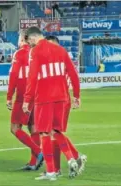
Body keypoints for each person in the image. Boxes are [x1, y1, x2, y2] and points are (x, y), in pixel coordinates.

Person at [23, 27, 83, 181]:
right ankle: (71, 158)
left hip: (44, 98)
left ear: (33, 38)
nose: (29, 43)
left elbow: (32, 77)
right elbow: (73, 74)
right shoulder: (61, 50)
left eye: (29, 40)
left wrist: (27, 100)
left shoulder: (35, 52)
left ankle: (51, 171)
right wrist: (76, 96)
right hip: (62, 97)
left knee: (44, 132)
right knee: (55, 131)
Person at [44, 35, 88, 176]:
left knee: (53, 131)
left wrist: (77, 96)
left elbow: (74, 76)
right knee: (53, 133)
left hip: (61, 98)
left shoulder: (62, 57)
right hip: (52, 98)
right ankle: (61, 166)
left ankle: (72, 158)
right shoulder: (49, 57)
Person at [6, 33, 43, 171]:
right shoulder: (37, 52)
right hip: (37, 94)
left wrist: (9, 96)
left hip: (23, 95)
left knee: (15, 128)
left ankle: (39, 152)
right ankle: (33, 163)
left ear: (22, 40)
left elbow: (14, 75)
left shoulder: (19, 53)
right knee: (33, 128)